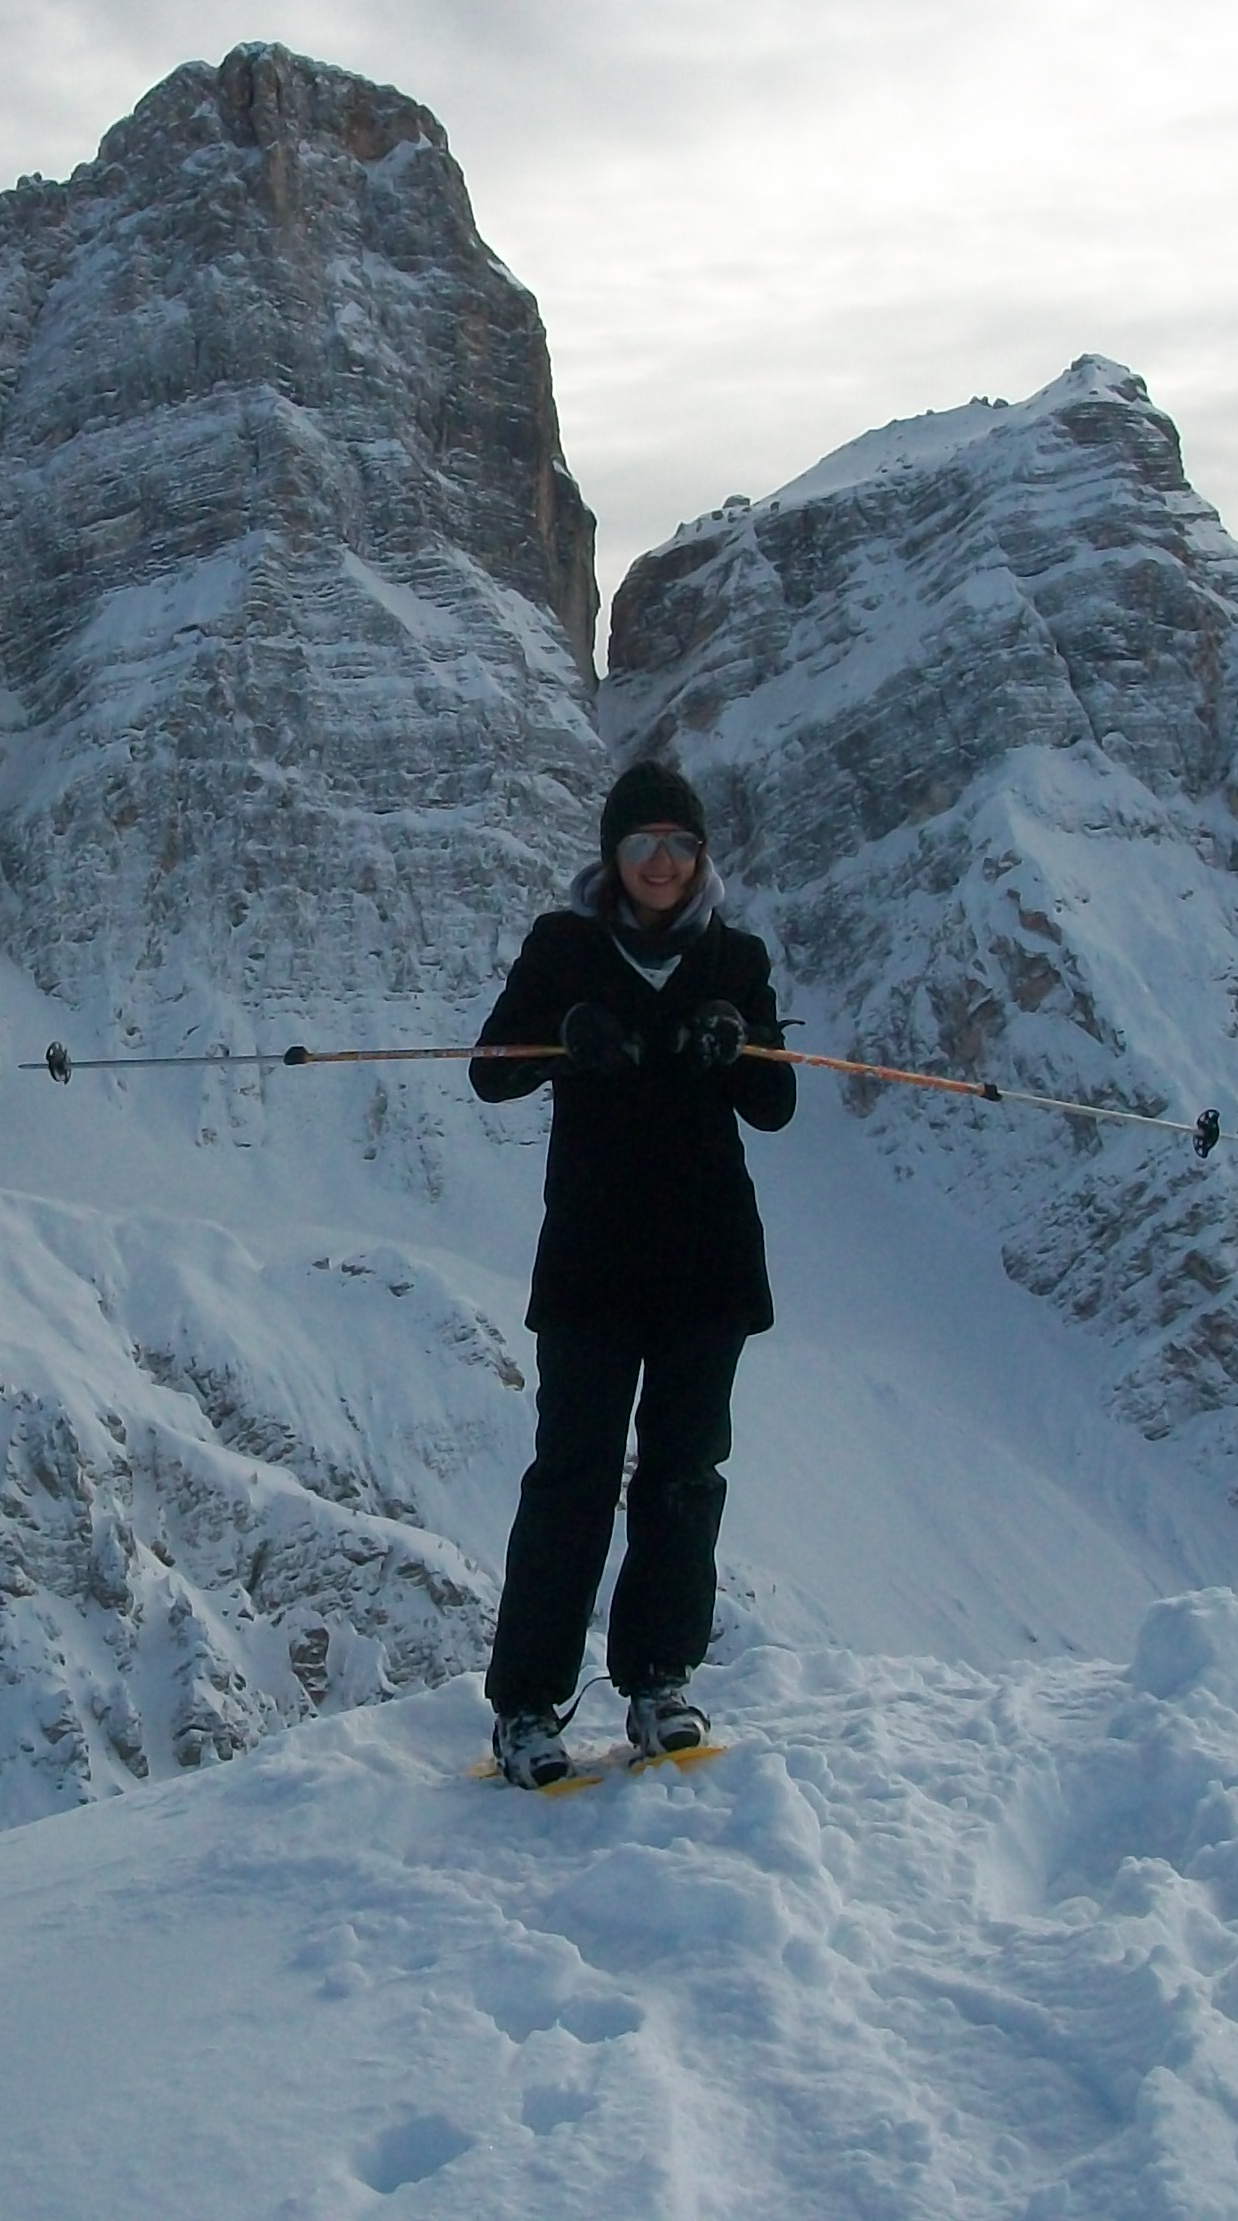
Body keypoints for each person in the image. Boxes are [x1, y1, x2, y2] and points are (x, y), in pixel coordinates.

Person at [468, 761, 797, 1787]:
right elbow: (490, 1069)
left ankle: (658, 1681)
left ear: (700, 858)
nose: (661, 862)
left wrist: (736, 1047)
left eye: (680, 845)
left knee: (683, 1479)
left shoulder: (733, 957)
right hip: (593, 1263)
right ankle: (526, 1704)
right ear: (611, 855)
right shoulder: (564, 947)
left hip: (707, 1264)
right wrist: (563, 1038)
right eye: (643, 843)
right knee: (570, 1479)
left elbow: (776, 1106)